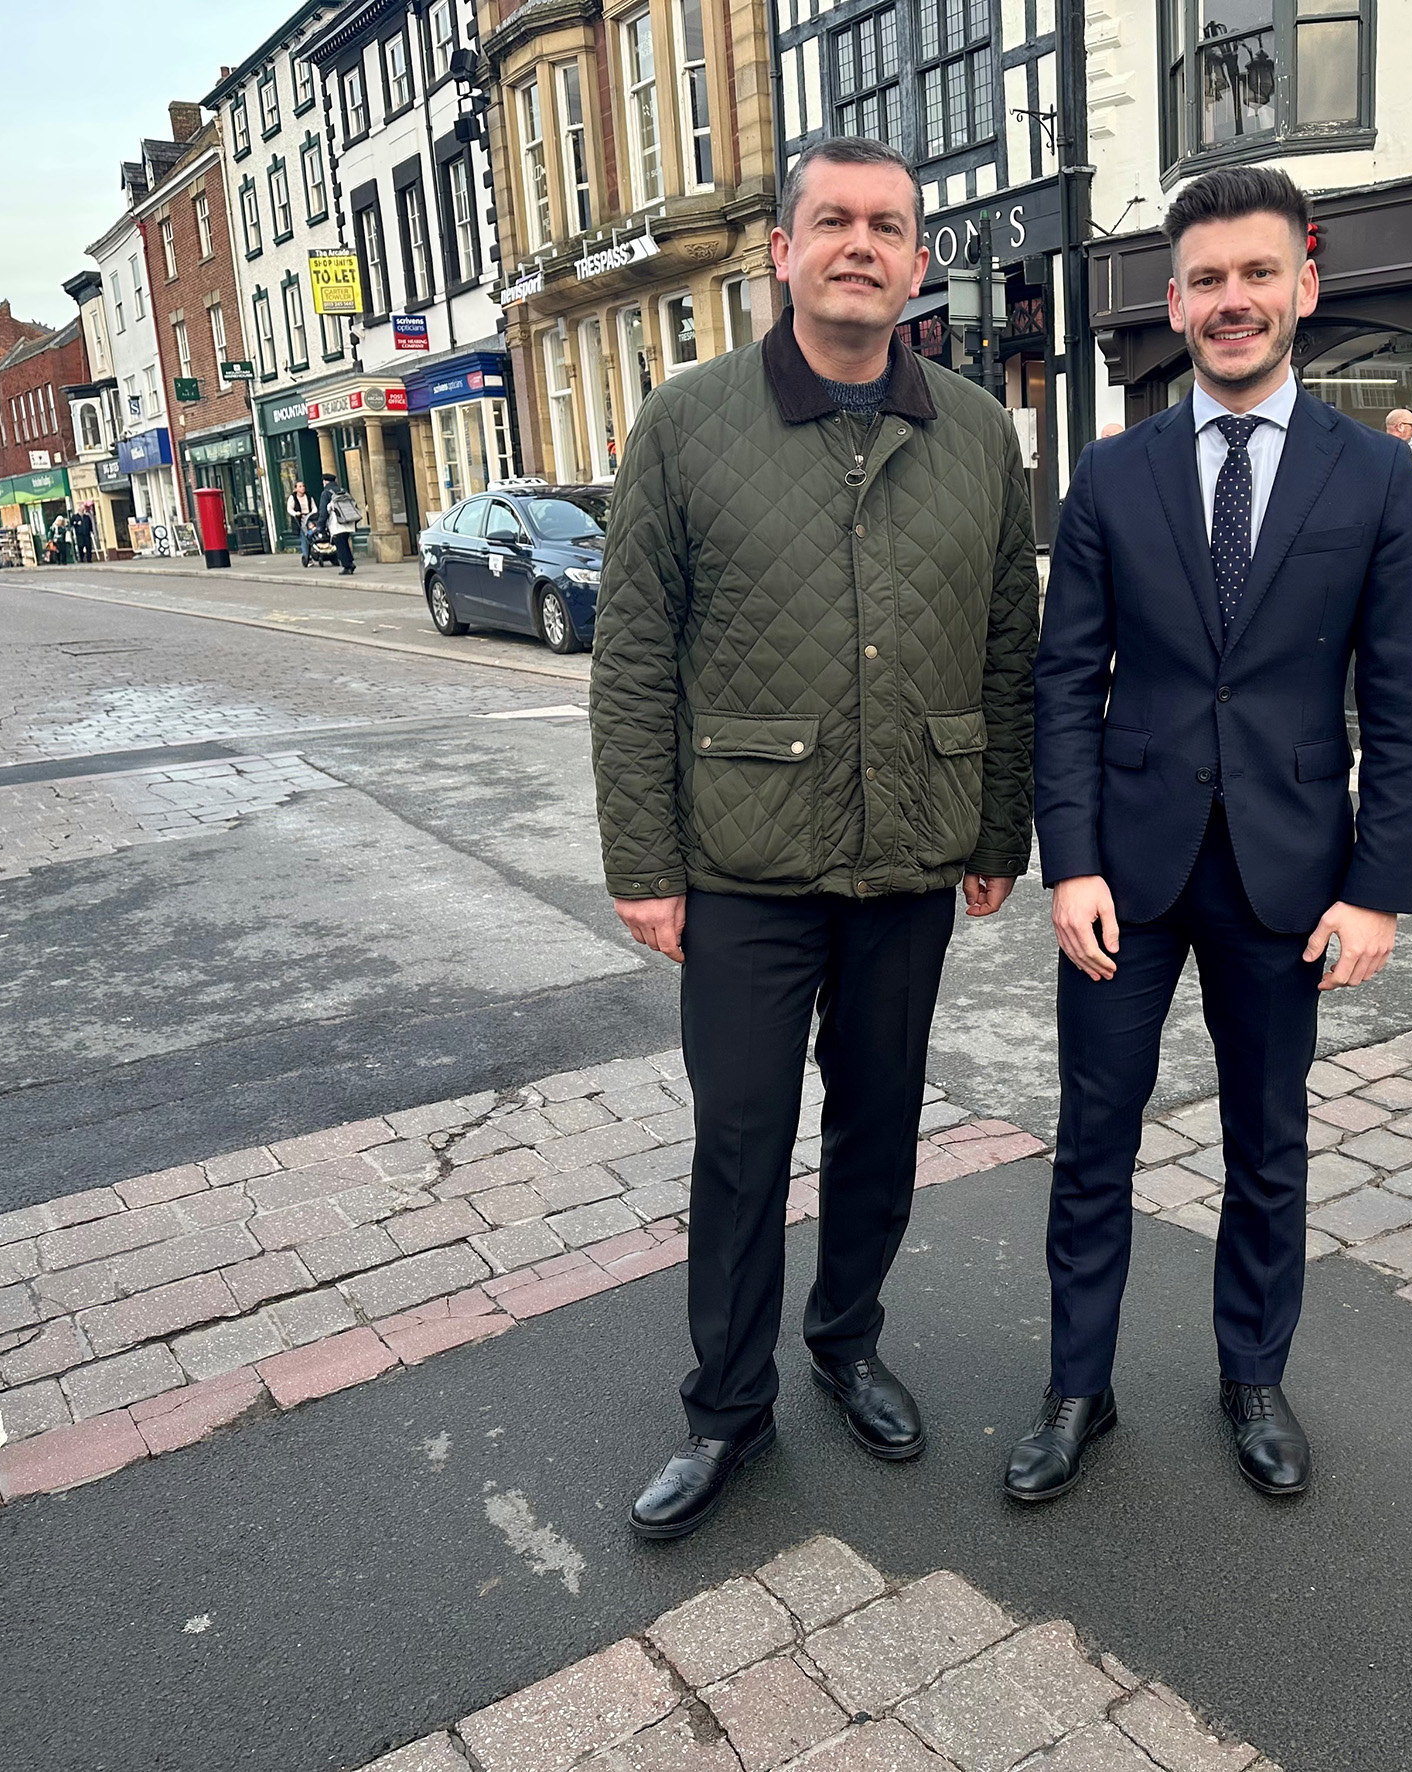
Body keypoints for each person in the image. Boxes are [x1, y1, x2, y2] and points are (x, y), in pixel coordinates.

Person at [591, 136, 1038, 1540]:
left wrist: (996, 829)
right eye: (830, 220)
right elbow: (632, 661)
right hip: (740, 857)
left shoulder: (976, 429)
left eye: (887, 225)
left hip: (911, 841)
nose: (859, 243)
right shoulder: (686, 421)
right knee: (739, 1134)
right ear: (781, 251)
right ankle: (726, 1406)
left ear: (917, 262)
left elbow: (1006, 650)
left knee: (881, 1122)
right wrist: (643, 862)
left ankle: (844, 1337)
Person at [1014, 166, 1412, 1504]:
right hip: (1124, 877)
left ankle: (1252, 1375)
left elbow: (1398, 698)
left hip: (1286, 875)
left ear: (1302, 285)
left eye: (1257, 273)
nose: (1231, 300)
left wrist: (1375, 888)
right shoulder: (1110, 475)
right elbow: (1063, 682)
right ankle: (1079, 1387)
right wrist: (1068, 860)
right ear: (1174, 300)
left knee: (1267, 1138)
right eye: (1205, 279)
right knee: (1094, 1138)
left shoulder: (1371, 477)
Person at [320, 474, 358, 573]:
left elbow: (323, 511)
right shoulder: (342, 490)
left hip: (336, 523)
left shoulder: (326, 493)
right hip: (348, 521)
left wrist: (320, 526)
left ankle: (347, 566)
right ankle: (350, 561)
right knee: (345, 542)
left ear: (325, 482)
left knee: (340, 544)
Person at [287, 478, 317, 559]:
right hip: (300, 519)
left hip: (309, 518)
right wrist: (295, 514)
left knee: (312, 533)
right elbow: (289, 509)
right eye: (300, 486)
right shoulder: (292, 497)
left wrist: (312, 514)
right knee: (303, 537)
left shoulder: (309, 496)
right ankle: (306, 556)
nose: (302, 488)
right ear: (296, 488)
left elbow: (314, 507)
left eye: (303, 486)